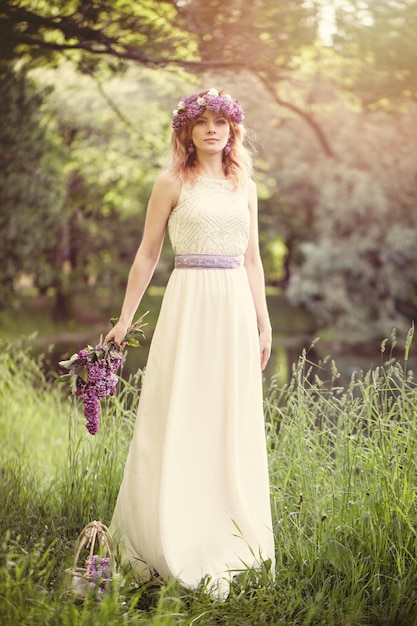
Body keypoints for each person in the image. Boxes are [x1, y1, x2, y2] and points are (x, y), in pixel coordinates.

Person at [105, 87, 275, 597]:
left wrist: (264, 324)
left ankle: (225, 529)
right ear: (187, 130)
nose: (211, 129)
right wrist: (123, 319)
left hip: (234, 309)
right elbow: (147, 254)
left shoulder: (245, 185)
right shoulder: (171, 181)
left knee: (226, 415)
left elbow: (252, 260)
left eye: (220, 122)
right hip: (188, 302)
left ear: (232, 130)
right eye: (201, 122)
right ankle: (168, 531)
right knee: (180, 409)